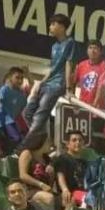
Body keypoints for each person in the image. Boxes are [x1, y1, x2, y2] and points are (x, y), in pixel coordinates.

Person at [23, 13, 76, 141]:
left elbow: (69, 65)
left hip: (58, 84)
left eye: (53, 24)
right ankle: (42, 138)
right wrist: (41, 83)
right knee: (27, 112)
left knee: (40, 114)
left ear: (62, 27)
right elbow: (52, 68)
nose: (50, 27)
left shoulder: (70, 42)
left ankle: (43, 141)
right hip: (49, 83)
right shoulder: (54, 46)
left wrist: (69, 89)